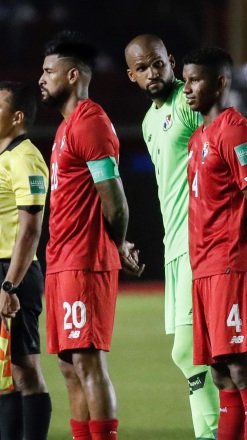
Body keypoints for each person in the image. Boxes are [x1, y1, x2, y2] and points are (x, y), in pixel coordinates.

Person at [39, 30, 144, 440]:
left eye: (49, 71)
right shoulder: (67, 127)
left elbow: (115, 201)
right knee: (69, 364)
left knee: (88, 362)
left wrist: (118, 244)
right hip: (62, 260)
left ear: (73, 74)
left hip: (84, 261)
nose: (42, 78)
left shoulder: (90, 123)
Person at [124, 34, 220, 440]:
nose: (152, 74)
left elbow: (222, 143)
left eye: (158, 64)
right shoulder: (148, 121)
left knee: (189, 350)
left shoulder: (188, 103)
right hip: (174, 246)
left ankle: (212, 432)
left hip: (201, 244)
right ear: (131, 75)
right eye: (142, 68)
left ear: (171, 61)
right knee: (196, 352)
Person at [183, 46, 247, 440]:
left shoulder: (236, 129)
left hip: (232, 262)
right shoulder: (199, 136)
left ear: (220, 83)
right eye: (184, 80)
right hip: (205, 267)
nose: (186, 88)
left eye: (195, 80)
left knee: (243, 365)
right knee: (220, 372)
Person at [0, 81, 52, 440]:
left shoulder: (26, 158)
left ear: (17, 117)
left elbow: (31, 229)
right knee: (4, 373)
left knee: (24, 369)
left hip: (13, 272)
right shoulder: (4, 156)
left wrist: (10, 285)